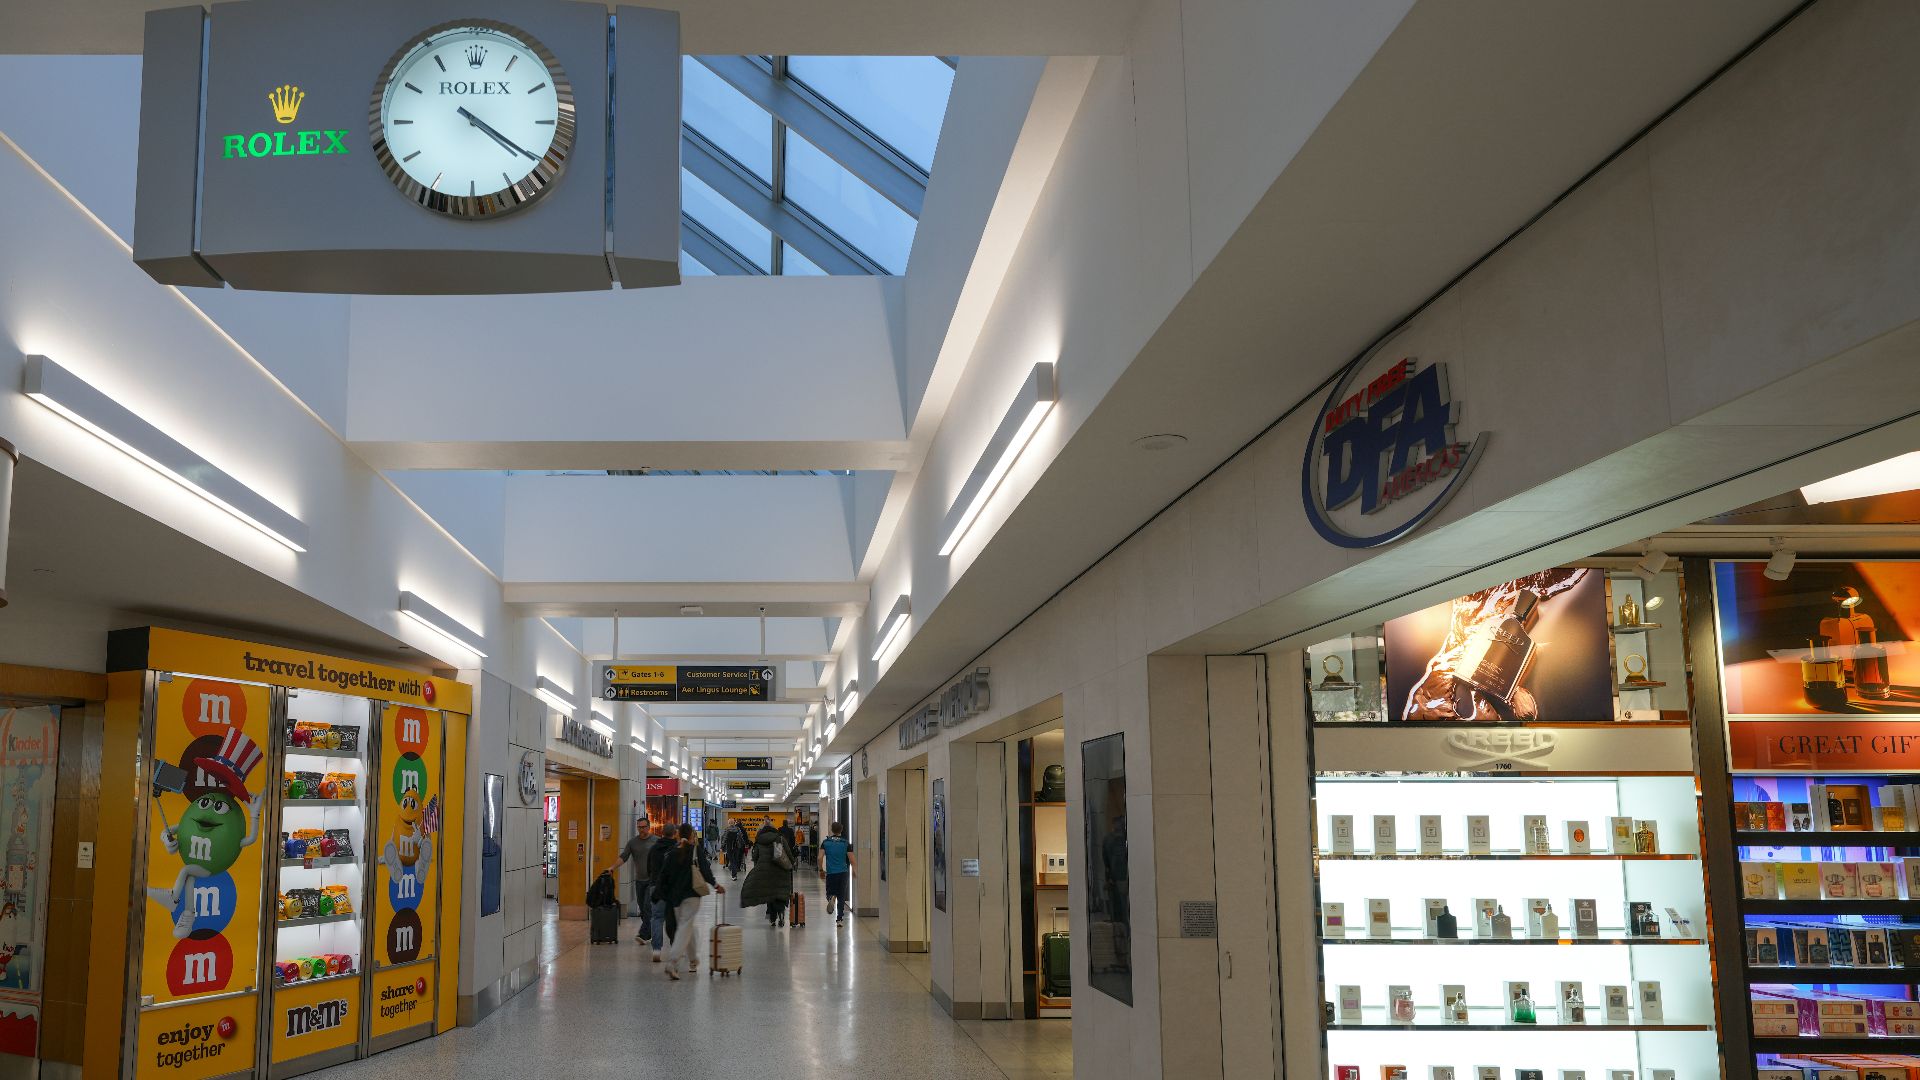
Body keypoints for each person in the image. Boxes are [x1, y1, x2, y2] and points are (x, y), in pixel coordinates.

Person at [654, 823, 723, 979]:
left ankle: (693, 960)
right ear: (692, 836)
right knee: (685, 927)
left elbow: (663, 875)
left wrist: (658, 894)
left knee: (685, 926)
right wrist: (716, 885)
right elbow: (705, 870)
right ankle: (672, 962)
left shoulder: (671, 853)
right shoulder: (695, 851)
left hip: (675, 898)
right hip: (692, 895)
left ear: (678, 835)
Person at [601, 817, 657, 945]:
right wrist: (612, 867)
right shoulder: (633, 842)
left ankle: (643, 934)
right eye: (639, 827)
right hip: (639, 880)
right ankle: (650, 931)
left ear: (649, 827)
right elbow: (623, 857)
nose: (641, 829)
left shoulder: (655, 841)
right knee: (643, 908)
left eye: (643, 827)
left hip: (652, 880)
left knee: (648, 906)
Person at [740, 825, 795, 926]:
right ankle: (781, 912)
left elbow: (755, 857)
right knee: (780, 893)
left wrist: (758, 867)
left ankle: (772, 918)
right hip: (780, 869)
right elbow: (788, 853)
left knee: (770, 893)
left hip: (764, 870)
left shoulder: (759, 841)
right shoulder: (780, 839)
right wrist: (792, 863)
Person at [820, 821, 853, 924]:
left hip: (831, 873)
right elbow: (852, 859)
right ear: (841, 830)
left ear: (831, 830)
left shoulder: (825, 842)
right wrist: (855, 870)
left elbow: (819, 857)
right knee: (842, 895)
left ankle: (831, 897)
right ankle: (839, 919)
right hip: (843, 872)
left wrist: (821, 869)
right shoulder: (846, 843)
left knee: (829, 892)